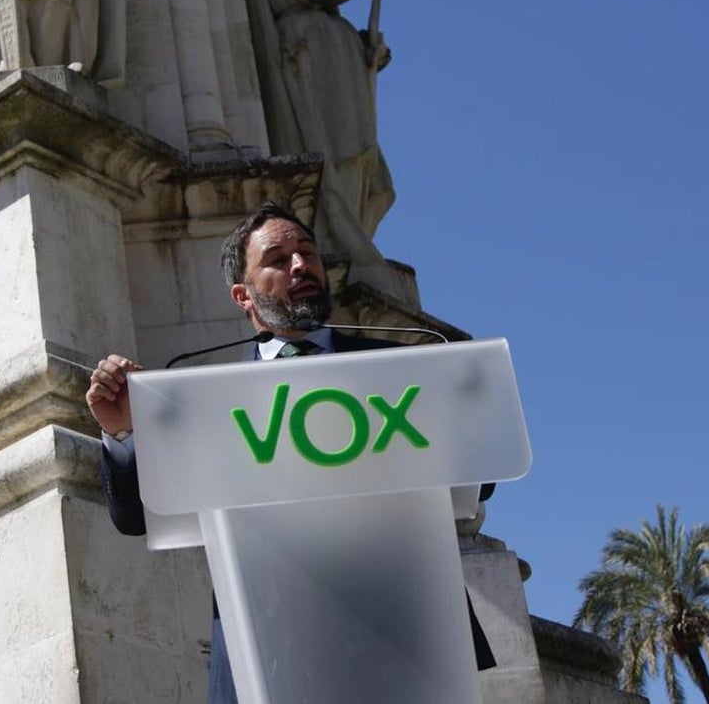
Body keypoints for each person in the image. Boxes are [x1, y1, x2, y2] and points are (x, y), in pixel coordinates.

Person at [85, 202, 494, 703]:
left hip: (408, 641)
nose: (300, 265)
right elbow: (136, 517)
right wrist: (125, 433)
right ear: (244, 294)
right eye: (278, 259)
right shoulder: (206, 402)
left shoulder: (399, 369)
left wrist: (458, 408)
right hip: (267, 650)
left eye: (307, 253)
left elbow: (479, 480)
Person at [239, 0, 396, 269]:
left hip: (336, 74)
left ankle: (352, 242)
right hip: (310, 67)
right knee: (341, 160)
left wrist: (363, 50)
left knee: (375, 182)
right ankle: (333, 240)